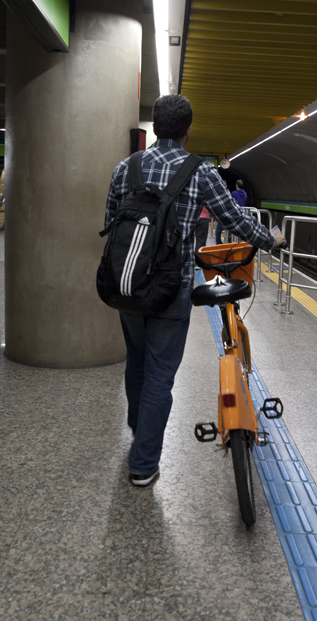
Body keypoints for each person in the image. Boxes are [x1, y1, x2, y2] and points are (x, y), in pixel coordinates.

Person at [105, 94, 282, 488]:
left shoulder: (125, 168)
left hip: (128, 286)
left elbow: (110, 222)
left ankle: (140, 434)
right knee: (160, 375)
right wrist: (271, 241)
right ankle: (143, 463)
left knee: (137, 363)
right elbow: (233, 219)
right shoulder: (199, 171)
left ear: (154, 126)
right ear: (188, 131)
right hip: (172, 289)